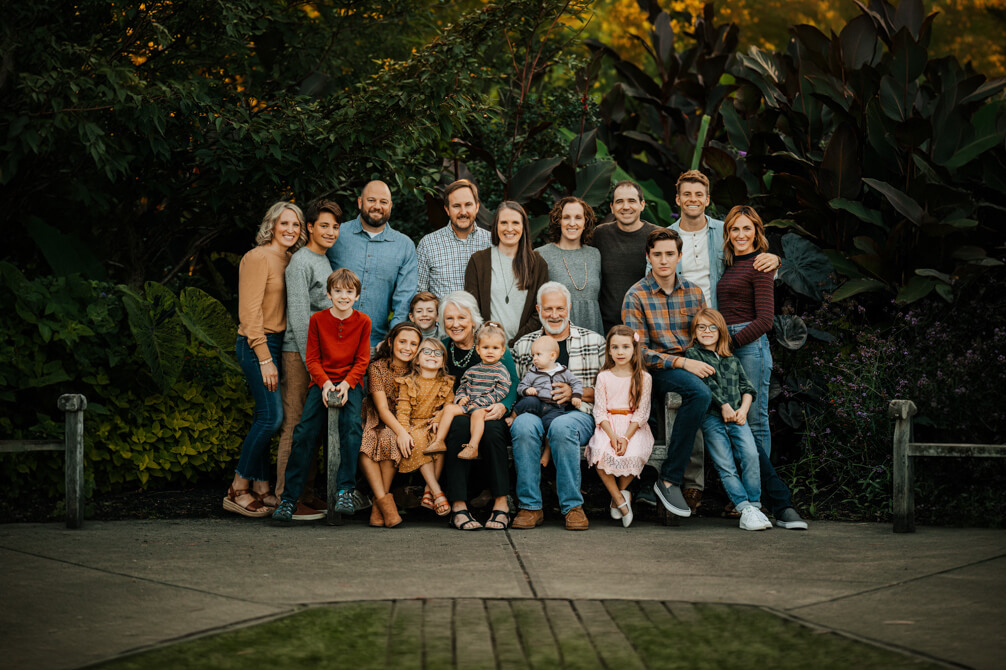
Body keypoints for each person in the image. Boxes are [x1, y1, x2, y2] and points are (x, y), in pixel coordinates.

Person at [718, 205, 808, 530]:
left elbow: (766, 320)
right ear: (727, 234)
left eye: (747, 228)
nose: (741, 234)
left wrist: (729, 344)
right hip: (728, 346)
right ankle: (748, 495)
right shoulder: (730, 264)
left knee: (754, 422)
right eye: (735, 229)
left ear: (758, 232)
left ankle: (760, 498)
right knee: (734, 421)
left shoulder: (760, 265)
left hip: (749, 346)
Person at [621, 228, 711, 519]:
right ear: (648, 257)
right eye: (657, 254)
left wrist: (696, 362)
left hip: (693, 365)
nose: (663, 260)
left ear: (679, 256)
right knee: (699, 393)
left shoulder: (694, 293)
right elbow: (639, 352)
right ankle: (670, 479)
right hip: (655, 371)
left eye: (670, 254)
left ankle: (720, 491)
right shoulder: (636, 295)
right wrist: (681, 363)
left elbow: (703, 338)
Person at [225, 202, 304, 518]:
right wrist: (264, 358)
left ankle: (260, 487)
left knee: (264, 415)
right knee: (271, 418)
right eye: (284, 223)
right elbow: (249, 313)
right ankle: (238, 487)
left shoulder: (291, 259)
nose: (290, 230)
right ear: (271, 225)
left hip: (279, 342)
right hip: (256, 342)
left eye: (296, 225)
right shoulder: (257, 257)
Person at [272, 269, 371, 523]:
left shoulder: (363, 321)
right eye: (337, 291)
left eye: (349, 292)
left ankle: (345, 490)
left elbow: (362, 360)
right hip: (321, 382)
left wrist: (347, 384)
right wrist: (325, 384)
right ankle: (289, 499)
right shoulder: (317, 320)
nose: (343, 296)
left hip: (350, 382)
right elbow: (313, 359)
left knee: (352, 428)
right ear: (328, 294)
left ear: (357, 296)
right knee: (304, 432)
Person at [510, 282, 605, 531]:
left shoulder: (594, 341)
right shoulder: (523, 345)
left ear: (569, 308)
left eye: (560, 308)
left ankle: (572, 506)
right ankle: (530, 507)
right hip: (536, 411)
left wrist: (577, 393)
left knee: (562, 426)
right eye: (548, 309)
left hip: (578, 414)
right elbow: (515, 389)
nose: (554, 315)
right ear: (539, 310)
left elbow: (611, 390)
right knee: (523, 425)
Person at [274, 199, 342, 514]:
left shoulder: (323, 259)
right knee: (295, 426)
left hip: (319, 357)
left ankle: (307, 492)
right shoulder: (300, 261)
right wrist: (311, 364)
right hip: (299, 354)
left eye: (335, 227)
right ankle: (285, 497)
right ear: (310, 227)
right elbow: (300, 319)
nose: (330, 232)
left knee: (312, 426)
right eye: (324, 225)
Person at [684, 308, 771, 531]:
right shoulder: (693, 355)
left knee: (751, 455)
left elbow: (747, 387)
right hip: (712, 418)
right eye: (701, 327)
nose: (707, 331)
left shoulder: (731, 358)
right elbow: (707, 384)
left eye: (712, 327)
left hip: (737, 418)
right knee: (725, 464)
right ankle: (743, 507)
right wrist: (724, 406)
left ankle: (755, 505)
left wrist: (743, 410)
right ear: (694, 332)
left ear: (721, 331)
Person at [438, 291, 518, 531]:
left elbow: (513, 382)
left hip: (490, 409)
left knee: (493, 430)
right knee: (458, 427)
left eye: (461, 317)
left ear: (473, 319)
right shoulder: (443, 348)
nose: (455, 324)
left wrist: (504, 406)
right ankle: (459, 506)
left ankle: (501, 504)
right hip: (459, 410)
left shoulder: (491, 343)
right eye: (449, 318)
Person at [327, 180, 418, 349]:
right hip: (331, 340)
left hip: (376, 345)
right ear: (360, 202)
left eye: (383, 202)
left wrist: (392, 340)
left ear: (390, 205)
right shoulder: (337, 235)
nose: (377, 206)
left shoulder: (404, 246)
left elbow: (403, 302)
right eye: (371, 200)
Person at [585, 325, 654, 528]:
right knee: (599, 452)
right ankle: (621, 500)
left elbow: (642, 413)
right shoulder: (604, 376)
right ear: (609, 350)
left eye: (625, 347)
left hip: (634, 427)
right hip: (608, 425)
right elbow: (599, 411)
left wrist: (625, 437)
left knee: (634, 452)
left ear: (634, 348)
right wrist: (613, 435)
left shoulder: (644, 377)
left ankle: (618, 498)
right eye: (615, 347)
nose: (620, 352)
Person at [358, 321, 423, 528]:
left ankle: (378, 508)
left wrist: (402, 431)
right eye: (402, 341)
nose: (407, 347)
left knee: (390, 438)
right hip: (377, 416)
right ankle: (384, 503)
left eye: (413, 344)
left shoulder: (418, 371)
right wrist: (401, 432)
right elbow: (382, 409)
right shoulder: (377, 367)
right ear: (390, 342)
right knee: (368, 440)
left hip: (404, 419)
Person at [464, 201, 548, 346]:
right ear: (496, 226)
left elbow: (540, 311)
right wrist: (493, 341)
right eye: (503, 223)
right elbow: (472, 308)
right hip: (488, 348)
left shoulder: (538, 264)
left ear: (523, 227)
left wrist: (516, 343)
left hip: (526, 347)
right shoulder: (478, 261)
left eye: (515, 223)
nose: (509, 228)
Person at [393, 337, 454, 518]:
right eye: (427, 351)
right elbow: (403, 411)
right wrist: (403, 432)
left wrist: (439, 418)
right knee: (419, 439)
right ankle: (436, 491)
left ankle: (428, 491)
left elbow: (449, 405)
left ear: (443, 362)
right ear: (417, 359)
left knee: (438, 441)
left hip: (432, 424)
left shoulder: (446, 383)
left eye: (438, 353)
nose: (432, 355)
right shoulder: (408, 382)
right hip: (413, 425)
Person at [433, 322, 511, 461]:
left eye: (495, 348)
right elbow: (463, 386)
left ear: (502, 350)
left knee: (477, 414)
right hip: (468, 405)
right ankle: (439, 441)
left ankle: (473, 446)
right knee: (449, 408)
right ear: (478, 349)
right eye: (485, 347)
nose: (490, 351)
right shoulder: (472, 370)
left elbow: (501, 391)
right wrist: (461, 397)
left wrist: (480, 403)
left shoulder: (501, 371)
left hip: (484, 408)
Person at [591, 181, 660, 336]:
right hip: (608, 329)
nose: (626, 206)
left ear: (642, 205)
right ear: (612, 207)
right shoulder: (600, 235)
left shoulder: (657, 236)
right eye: (619, 201)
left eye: (632, 201)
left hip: (647, 326)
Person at [534, 196, 603, 334]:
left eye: (578, 217)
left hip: (594, 335)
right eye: (566, 217)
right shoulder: (541, 255)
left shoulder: (595, 255)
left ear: (585, 222)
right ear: (558, 221)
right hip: (556, 335)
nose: (572, 223)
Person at [416, 179, 491, 299]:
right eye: (456, 206)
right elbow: (419, 294)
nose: (463, 212)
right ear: (447, 210)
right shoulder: (428, 244)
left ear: (477, 207)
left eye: (468, 205)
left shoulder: (491, 242)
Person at [513, 335, 583, 435]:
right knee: (528, 401)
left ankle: (547, 443)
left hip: (555, 407)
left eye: (538, 354)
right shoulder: (533, 373)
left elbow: (576, 382)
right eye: (533, 355)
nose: (534, 358)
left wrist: (576, 395)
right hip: (537, 403)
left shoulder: (563, 372)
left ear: (552, 356)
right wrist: (526, 390)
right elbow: (521, 386)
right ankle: (513, 416)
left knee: (553, 423)